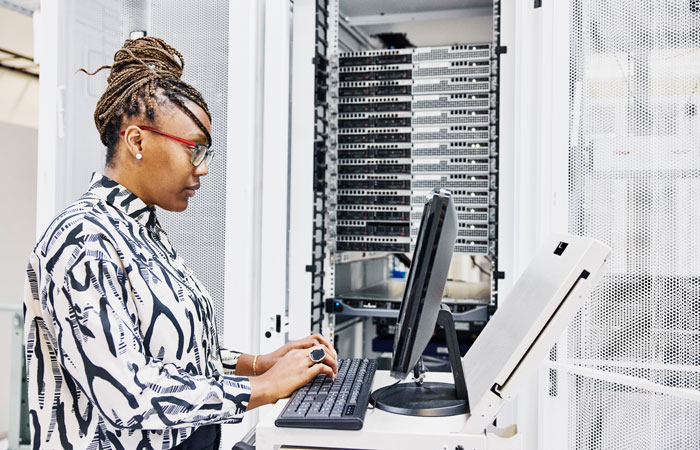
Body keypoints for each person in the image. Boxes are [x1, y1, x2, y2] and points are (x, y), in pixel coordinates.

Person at [23, 37, 337, 450]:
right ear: (136, 141)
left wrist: (260, 363)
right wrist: (262, 387)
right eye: (194, 150)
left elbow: (173, 352)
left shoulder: (141, 230)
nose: (203, 168)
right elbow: (127, 396)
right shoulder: (82, 240)